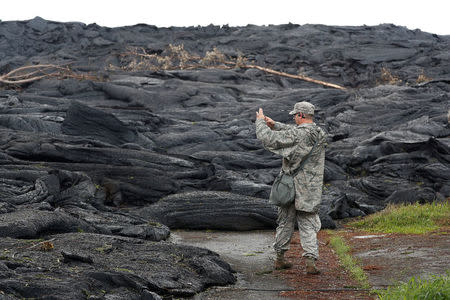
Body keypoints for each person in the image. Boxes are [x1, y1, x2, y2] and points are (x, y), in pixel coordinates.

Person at [255, 101, 327, 275]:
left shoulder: (298, 134)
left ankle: (280, 259)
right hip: (310, 189)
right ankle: (310, 262)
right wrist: (276, 125)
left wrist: (260, 122)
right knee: (308, 223)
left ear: (301, 115)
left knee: (285, 222)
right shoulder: (319, 133)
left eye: (295, 115)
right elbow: (298, 134)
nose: (294, 117)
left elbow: (269, 139)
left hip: (291, 187)